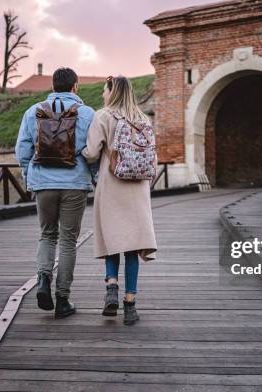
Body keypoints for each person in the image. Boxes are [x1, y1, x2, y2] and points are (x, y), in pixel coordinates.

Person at [15, 67, 95, 319]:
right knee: (69, 241)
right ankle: (62, 299)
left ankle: (43, 280)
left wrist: (31, 177)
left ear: (52, 85)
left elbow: (22, 150)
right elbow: (93, 152)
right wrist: (93, 178)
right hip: (74, 183)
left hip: (43, 183)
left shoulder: (32, 112)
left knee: (47, 235)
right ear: (75, 87)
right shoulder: (87, 113)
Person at [82, 76, 157, 326]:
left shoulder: (103, 116)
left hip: (112, 184)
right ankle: (130, 305)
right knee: (133, 247)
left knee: (113, 240)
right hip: (137, 190)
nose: (103, 94)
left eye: (104, 90)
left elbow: (92, 153)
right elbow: (152, 159)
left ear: (111, 91)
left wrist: (81, 152)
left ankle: (111, 286)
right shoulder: (142, 118)